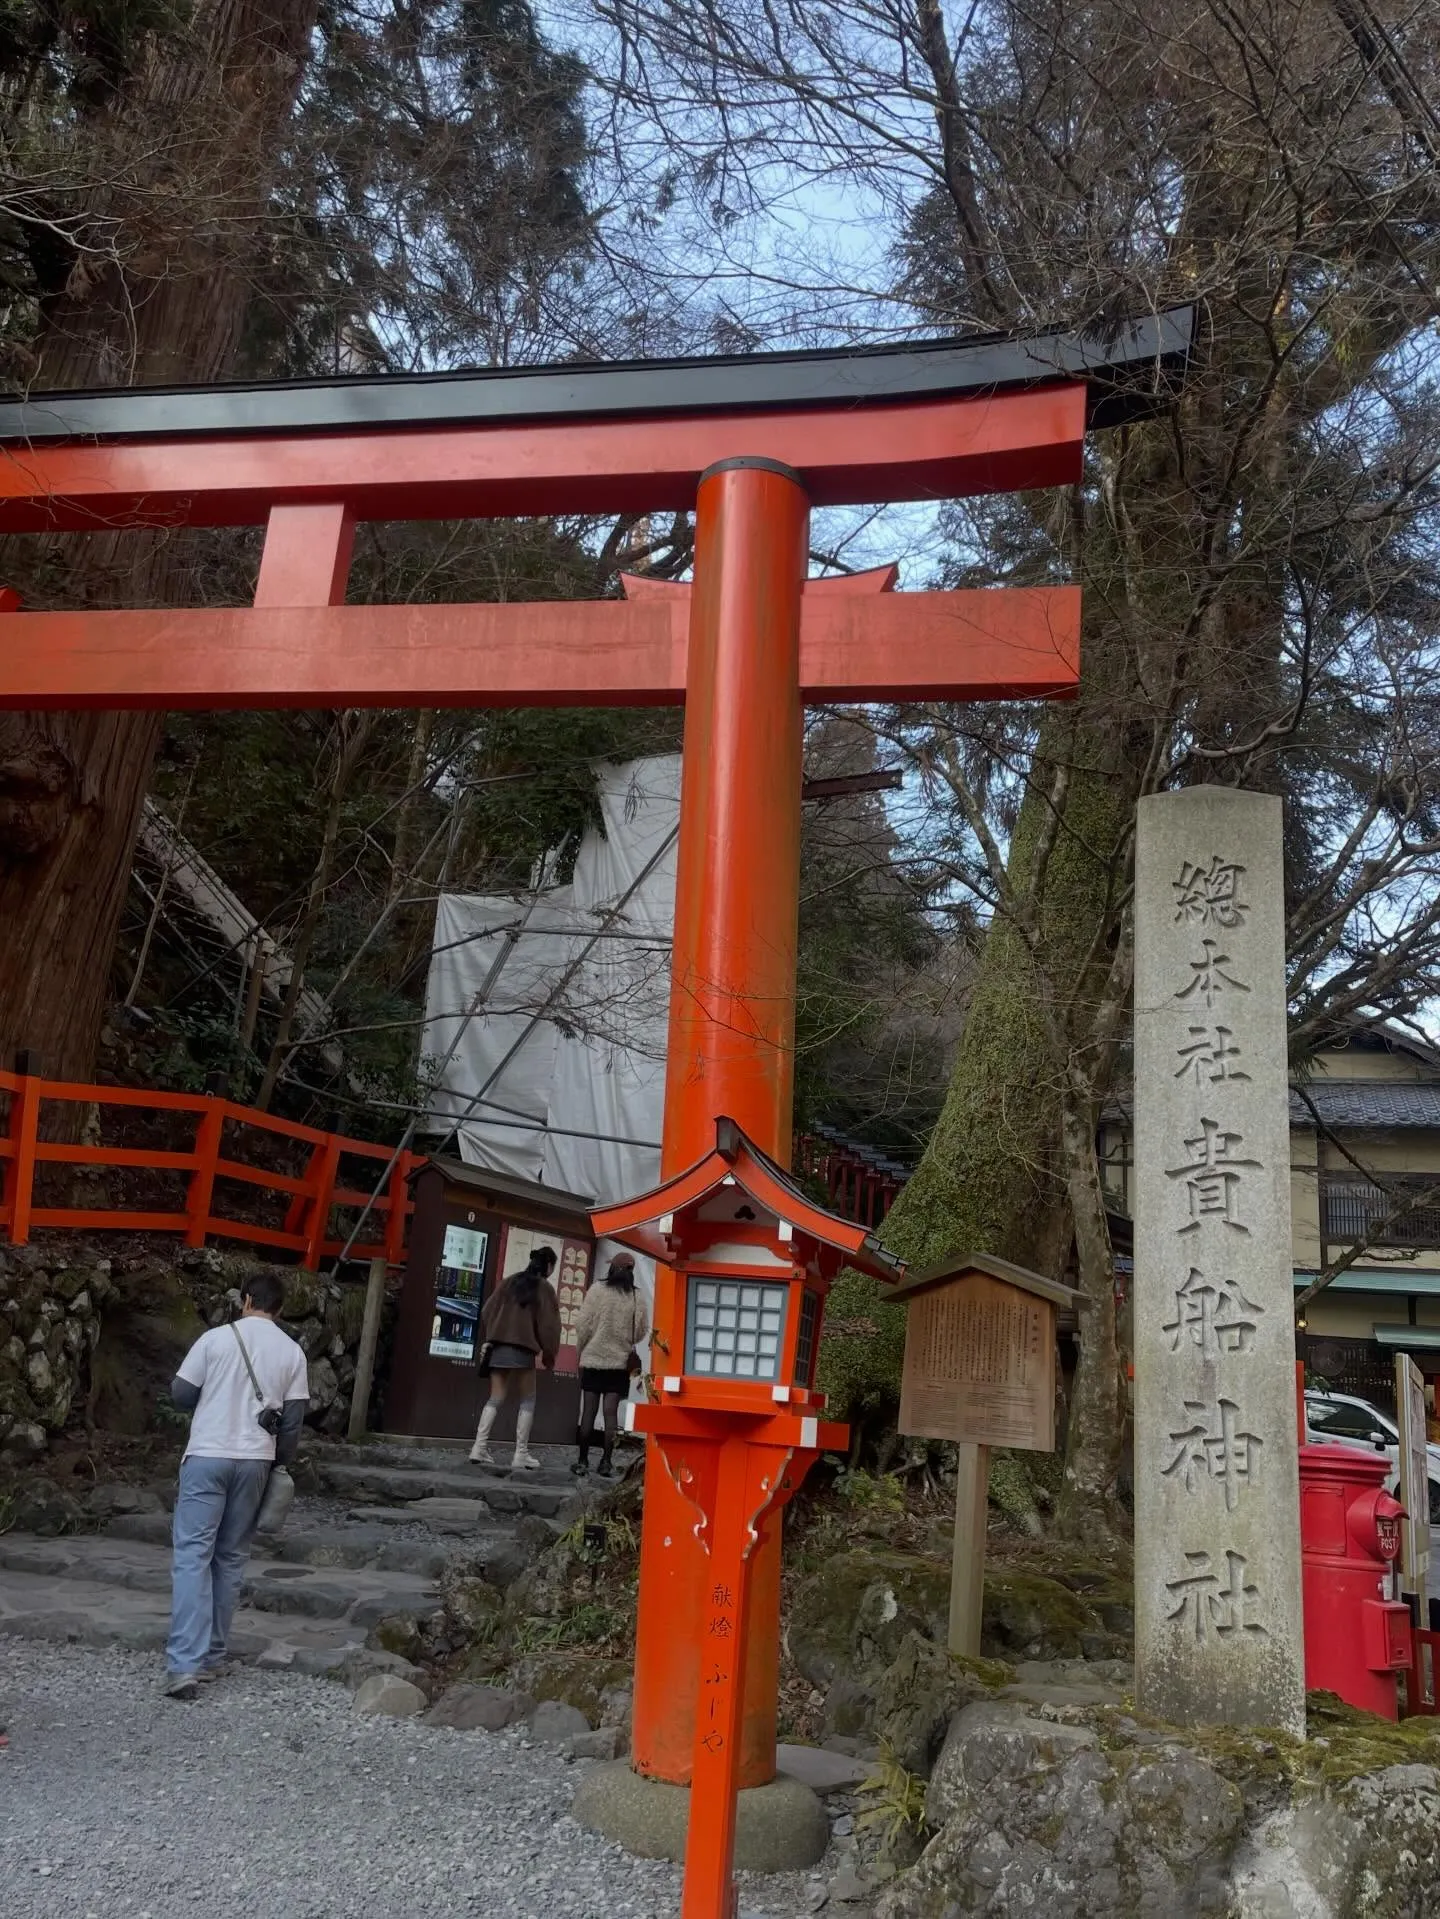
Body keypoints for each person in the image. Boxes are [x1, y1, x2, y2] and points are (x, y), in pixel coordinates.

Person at [164, 1270, 310, 1700]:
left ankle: (184, 1665)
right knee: (229, 1558)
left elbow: (181, 1394)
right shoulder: (292, 1352)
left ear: (245, 1300)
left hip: (207, 1454)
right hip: (255, 1462)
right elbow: (294, 1424)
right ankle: (211, 1656)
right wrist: (278, 1466)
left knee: (193, 1554)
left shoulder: (215, 1339)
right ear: (279, 1309)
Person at [468, 1246, 561, 1472]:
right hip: (523, 1350)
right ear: (548, 1266)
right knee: (528, 1399)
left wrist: (493, 1335)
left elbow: (487, 1310)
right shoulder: (544, 1288)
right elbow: (550, 1327)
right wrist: (549, 1354)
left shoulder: (509, 1281)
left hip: (498, 1348)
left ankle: (478, 1448)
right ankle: (521, 1454)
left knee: (495, 1398)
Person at [572, 1251, 649, 1479]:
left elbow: (583, 1325)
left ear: (612, 1269)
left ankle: (582, 1460)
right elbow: (639, 1333)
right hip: (618, 1363)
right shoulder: (636, 1297)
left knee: (588, 1412)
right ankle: (606, 1462)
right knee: (610, 1415)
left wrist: (581, 1351)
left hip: (593, 1359)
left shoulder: (597, 1290)